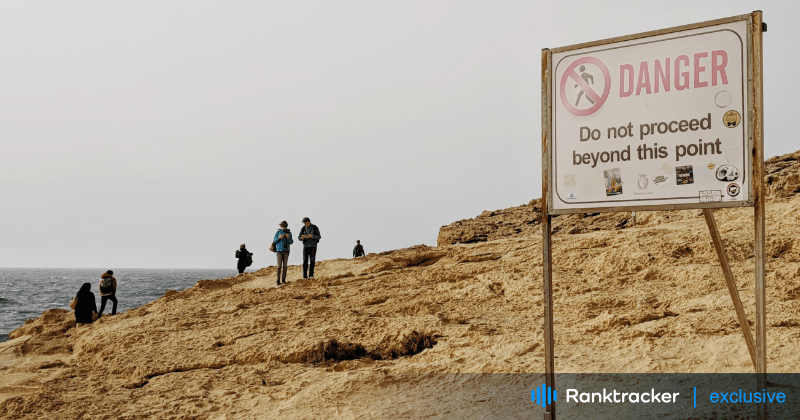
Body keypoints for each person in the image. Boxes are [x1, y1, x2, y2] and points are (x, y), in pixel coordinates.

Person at [273, 221, 293, 285]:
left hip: (286, 251)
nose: (284, 227)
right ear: (280, 226)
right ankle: (278, 280)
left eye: (285, 226)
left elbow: (291, 242)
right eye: (283, 226)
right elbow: (274, 241)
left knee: (285, 266)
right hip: (279, 251)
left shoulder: (289, 233)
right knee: (279, 266)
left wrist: (288, 238)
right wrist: (279, 238)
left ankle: (283, 280)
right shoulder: (278, 232)